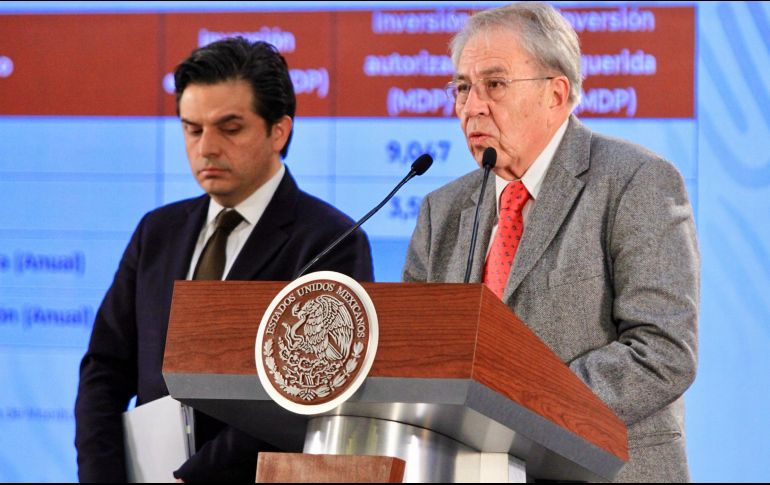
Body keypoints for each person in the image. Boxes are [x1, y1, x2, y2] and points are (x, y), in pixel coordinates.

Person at [402, 2, 699, 482]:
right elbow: (415, 354)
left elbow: (662, 350)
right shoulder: (441, 210)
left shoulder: (636, 182)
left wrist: (517, 407)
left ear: (555, 94)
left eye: (494, 85)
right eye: (462, 87)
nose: (471, 106)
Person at [75, 38, 373, 482]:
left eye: (229, 128)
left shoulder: (332, 240)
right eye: (192, 129)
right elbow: (104, 370)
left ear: (279, 130)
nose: (207, 147)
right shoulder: (156, 232)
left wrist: (190, 479)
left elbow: (303, 393)